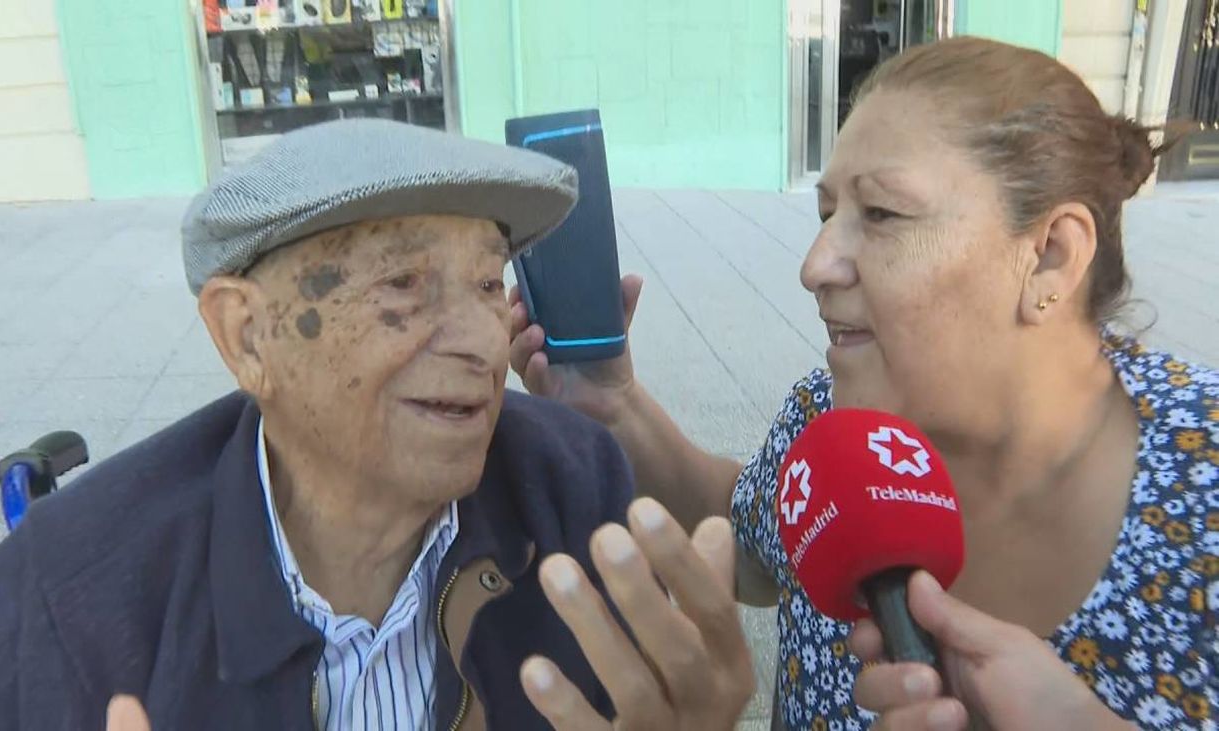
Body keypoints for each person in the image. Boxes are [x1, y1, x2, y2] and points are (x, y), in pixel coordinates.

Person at [0, 119, 754, 731]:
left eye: (488, 282)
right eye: (403, 286)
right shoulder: (69, 592)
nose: (482, 340)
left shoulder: (573, 484)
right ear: (248, 336)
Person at [510, 36, 1218, 730]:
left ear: (1052, 256)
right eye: (826, 215)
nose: (815, 263)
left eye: (881, 214)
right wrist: (615, 403)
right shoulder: (834, 422)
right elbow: (756, 552)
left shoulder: (1202, 480)